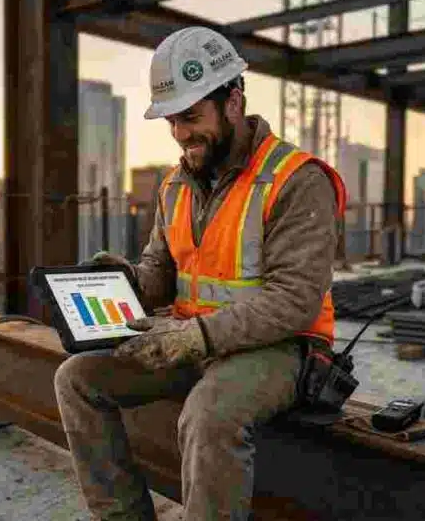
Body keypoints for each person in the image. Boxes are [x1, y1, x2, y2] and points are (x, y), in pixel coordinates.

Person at [53, 26, 347, 521]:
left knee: (209, 415)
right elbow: (161, 274)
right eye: (172, 121)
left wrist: (196, 337)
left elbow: (295, 300)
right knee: (76, 379)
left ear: (233, 101)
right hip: (192, 338)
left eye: (191, 117)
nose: (181, 134)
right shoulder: (175, 184)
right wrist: (124, 281)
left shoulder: (297, 179)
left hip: (279, 347)